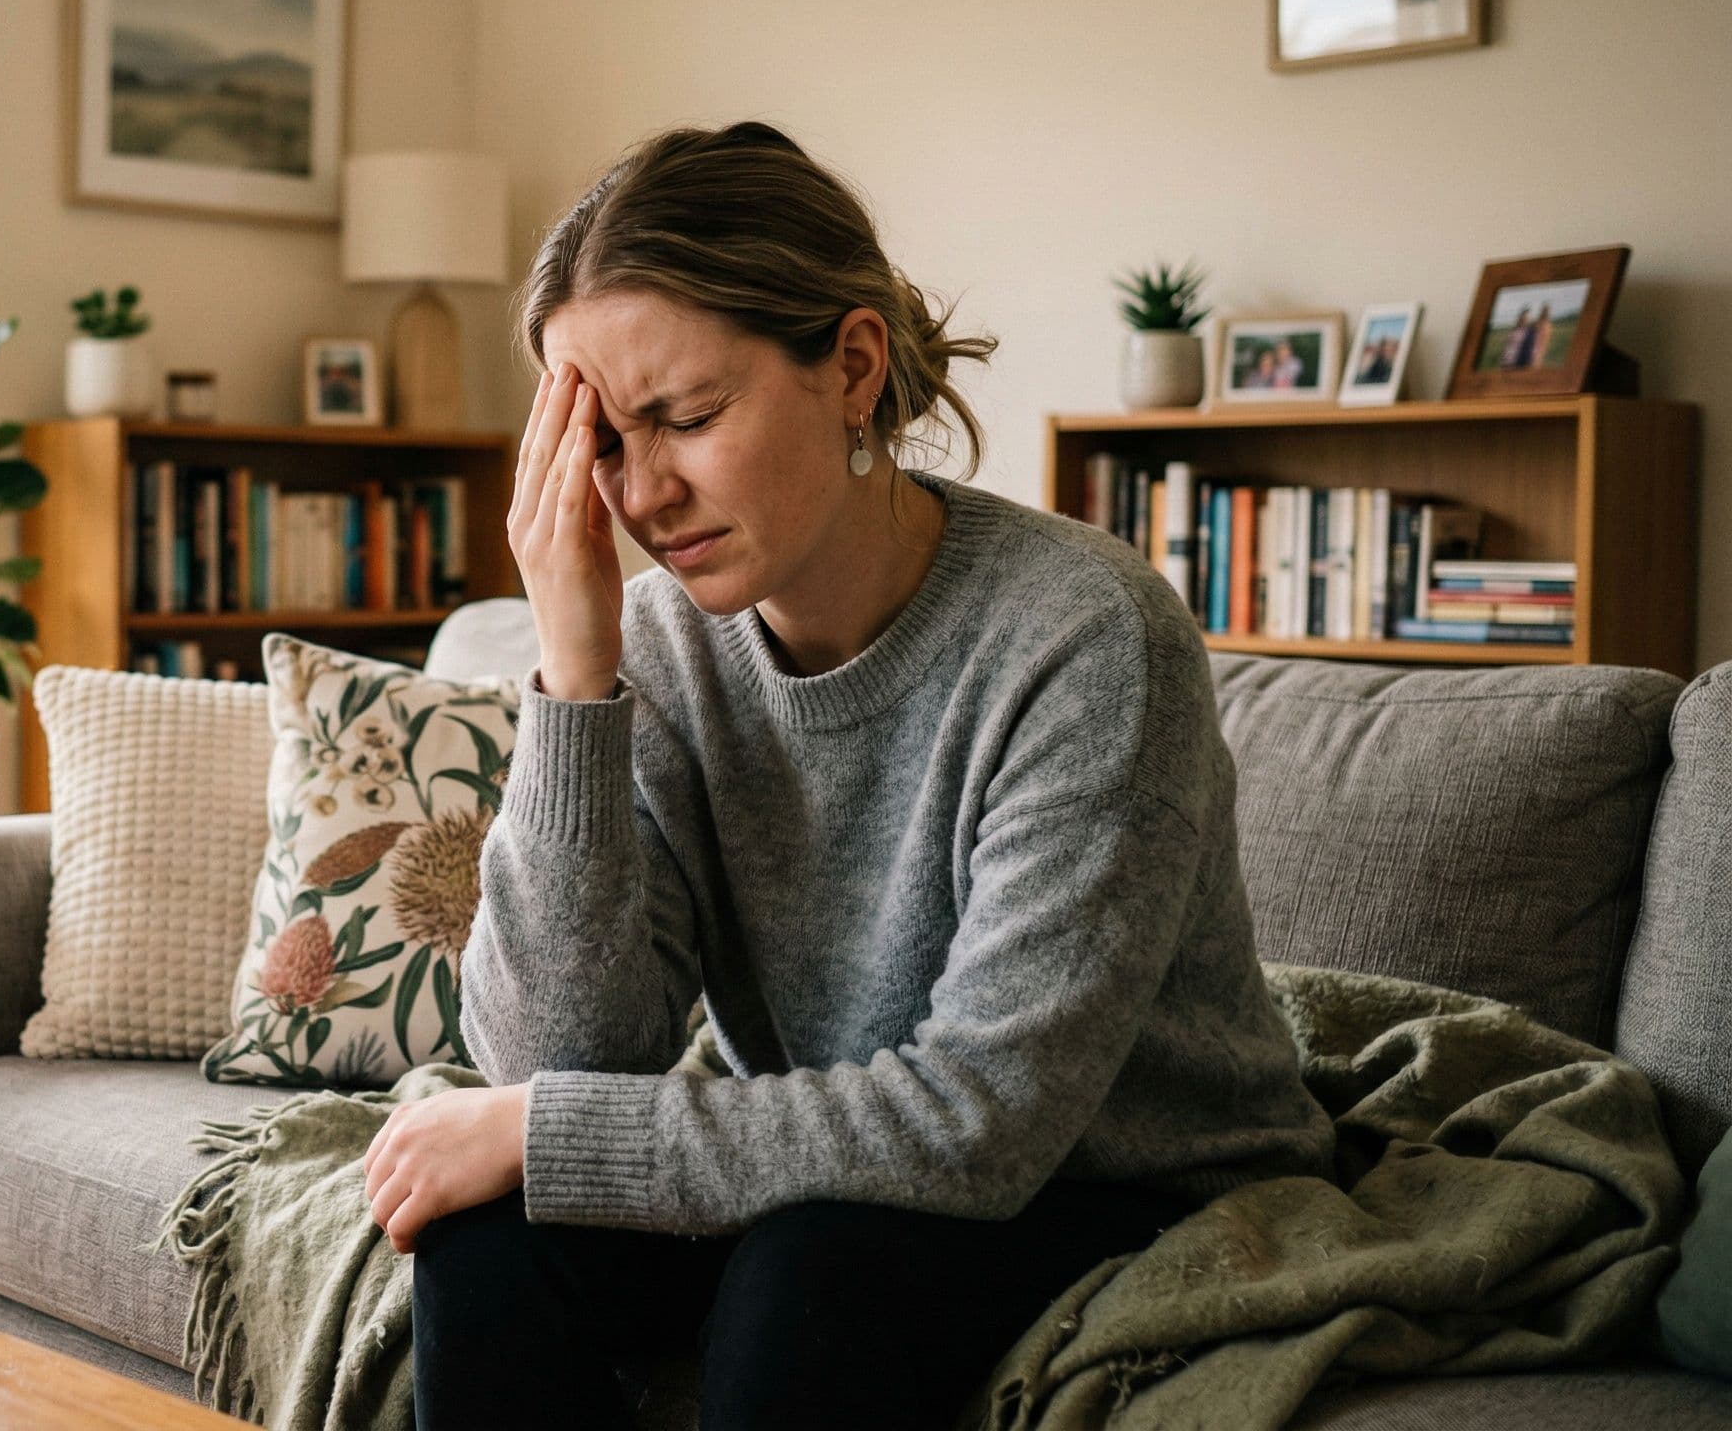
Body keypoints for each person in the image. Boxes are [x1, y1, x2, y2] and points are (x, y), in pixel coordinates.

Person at [356, 121, 1334, 1431]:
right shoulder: (656, 647)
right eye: (600, 441)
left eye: (688, 418)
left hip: (1123, 1180)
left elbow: (982, 1122)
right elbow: (563, 1056)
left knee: (811, 1277)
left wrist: (546, 1132)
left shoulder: (1086, 635)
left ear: (854, 366)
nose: (641, 493)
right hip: (846, 1166)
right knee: (490, 1238)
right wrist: (576, 678)